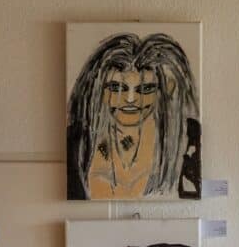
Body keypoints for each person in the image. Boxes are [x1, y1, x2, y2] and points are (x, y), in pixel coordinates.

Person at [66, 32, 201, 200]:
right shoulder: (76, 141)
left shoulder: (189, 137)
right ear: (98, 89)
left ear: (165, 90)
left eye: (145, 89)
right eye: (115, 87)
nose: (130, 99)